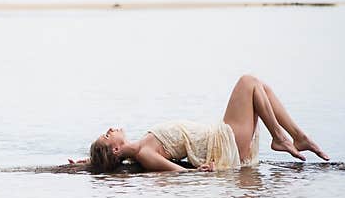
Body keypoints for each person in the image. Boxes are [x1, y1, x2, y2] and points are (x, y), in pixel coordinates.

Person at [71, 74, 329, 173]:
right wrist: (202, 171)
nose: (109, 130)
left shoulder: (138, 150)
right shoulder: (145, 154)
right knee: (248, 82)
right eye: (106, 136)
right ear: (115, 149)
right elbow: (180, 174)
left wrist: (88, 162)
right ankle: (281, 138)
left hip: (223, 139)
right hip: (222, 143)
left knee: (262, 88)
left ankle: (298, 136)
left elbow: (106, 161)